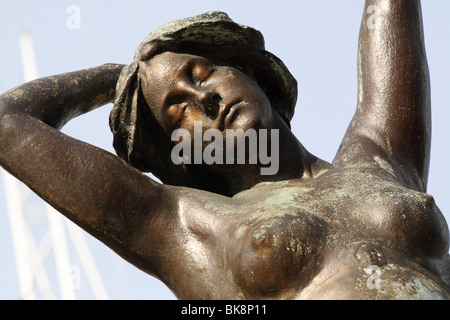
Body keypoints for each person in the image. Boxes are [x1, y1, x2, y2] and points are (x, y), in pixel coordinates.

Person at [0, 1, 449, 299]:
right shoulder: (185, 224)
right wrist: (121, 75)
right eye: (178, 113)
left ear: (249, 70)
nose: (206, 100)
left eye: (202, 72)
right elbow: (8, 121)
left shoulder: (379, 157)